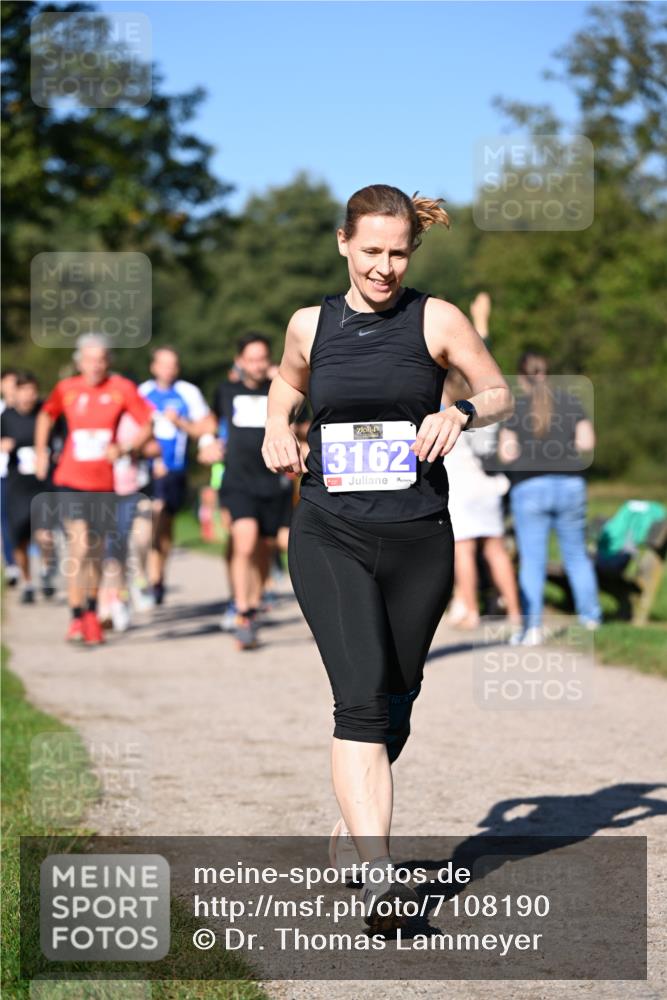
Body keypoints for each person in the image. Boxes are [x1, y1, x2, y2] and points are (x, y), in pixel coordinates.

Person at [262, 184, 513, 930]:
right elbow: (286, 382)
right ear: (343, 242)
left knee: (397, 696)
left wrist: (459, 411)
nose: (383, 267)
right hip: (330, 530)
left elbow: (498, 392)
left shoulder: (437, 319)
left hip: (418, 536)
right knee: (363, 699)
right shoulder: (309, 324)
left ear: (413, 250)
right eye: (370, 250)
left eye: (398, 253)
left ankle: (353, 823)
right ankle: (381, 880)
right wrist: (276, 426)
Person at [34, 334, 153, 645]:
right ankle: (76, 616)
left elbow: (147, 423)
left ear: (108, 361)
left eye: (101, 359)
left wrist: (125, 448)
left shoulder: (121, 388)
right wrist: (40, 452)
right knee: (80, 543)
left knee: (97, 551)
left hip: (104, 483)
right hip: (70, 479)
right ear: (79, 362)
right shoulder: (67, 388)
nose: (95, 366)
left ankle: (90, 611)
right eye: (89, 360)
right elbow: (46, 415)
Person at [206, 335, 304, 650]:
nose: (257, 365)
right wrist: (207, 444)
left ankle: (256, 599)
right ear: (239, 361)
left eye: (262, 358)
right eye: (251, 359)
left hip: (274, 482)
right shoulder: (226, 391)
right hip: (238, 481)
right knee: (245, 541)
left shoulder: (282, 391)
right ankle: (243, 612)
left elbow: (304, 427)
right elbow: (210, 424)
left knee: (269, 546)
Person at [498, 350, 602, 644]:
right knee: (576, 555)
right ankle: (591, 619)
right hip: (571, 485)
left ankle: (531, 628)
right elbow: (587, 443)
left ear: (522, 378)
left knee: (532, 560)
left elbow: (507, 453)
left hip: (529, 488)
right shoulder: (571, 402)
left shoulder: (516, 407)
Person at [443, 293, 521, 631]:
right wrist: (481, 325)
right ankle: (515, 613)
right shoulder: (487, 404)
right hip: (489, 483)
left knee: (463, 549)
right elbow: (483, 362)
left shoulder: (447, 401)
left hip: (461, 484)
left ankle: (471, 609)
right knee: (495, 549)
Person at [139, 347, 212, 604]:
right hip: (146, 470)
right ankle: (148, 578)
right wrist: (147, 449)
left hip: (175, 470)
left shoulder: (188, 392)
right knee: (150, 521)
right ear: (153, 367)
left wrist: (180, 422)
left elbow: (206, 427)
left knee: (165, 528)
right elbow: (131, 431)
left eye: (173, 365)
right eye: (163, 364)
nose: (168, 370)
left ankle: (158, 577)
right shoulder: (142, 393)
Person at [0, 371, 56, 602]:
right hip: (18, 484)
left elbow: (60, 439)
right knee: (20, 537)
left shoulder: (46, 413)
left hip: (43, 481)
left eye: (32, 391)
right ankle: (28, 582)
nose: (27, 396)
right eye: (23, 391)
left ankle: (46, 571)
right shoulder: (6, 417)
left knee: (45, 533)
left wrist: (53, 454)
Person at [1, 367, 20, 586]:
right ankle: (11, 564)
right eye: (8, 382)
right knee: (5, 520)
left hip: (25, 474)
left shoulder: (29, 410)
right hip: (3, 473)